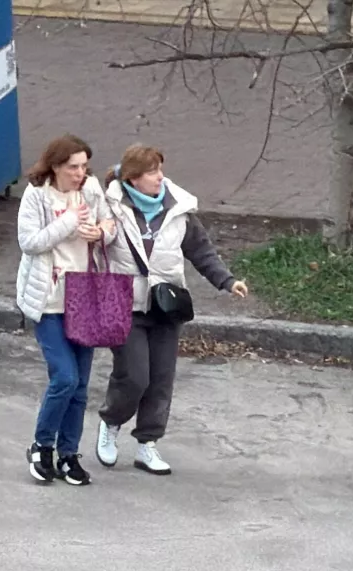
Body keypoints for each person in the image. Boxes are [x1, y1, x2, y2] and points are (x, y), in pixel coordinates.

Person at [96, 144, 248, 475]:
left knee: (161, 380)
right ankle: (111, 423)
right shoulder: (110, 208)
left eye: (160, 169)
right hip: (124, 304)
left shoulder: (178, 211)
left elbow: (202, 253)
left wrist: (227, 281)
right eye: (152, 172)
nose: (160, 177)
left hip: (166, 305)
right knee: (134, 377)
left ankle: (146, 444)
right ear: (134, 179)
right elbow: (95, 247)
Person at [16, 135, 116, 485]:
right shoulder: (37, 194)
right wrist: (70, 221)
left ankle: (69, 454)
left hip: (84, 296)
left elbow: (110, 225)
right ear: (55, 166)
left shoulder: (89, 189)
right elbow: (29, 242)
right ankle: (42, 445)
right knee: (65, 377)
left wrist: (99, 231)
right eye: (73, 167)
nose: (80, 173)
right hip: (48, 301)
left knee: (81, 385)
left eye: (84, 166)